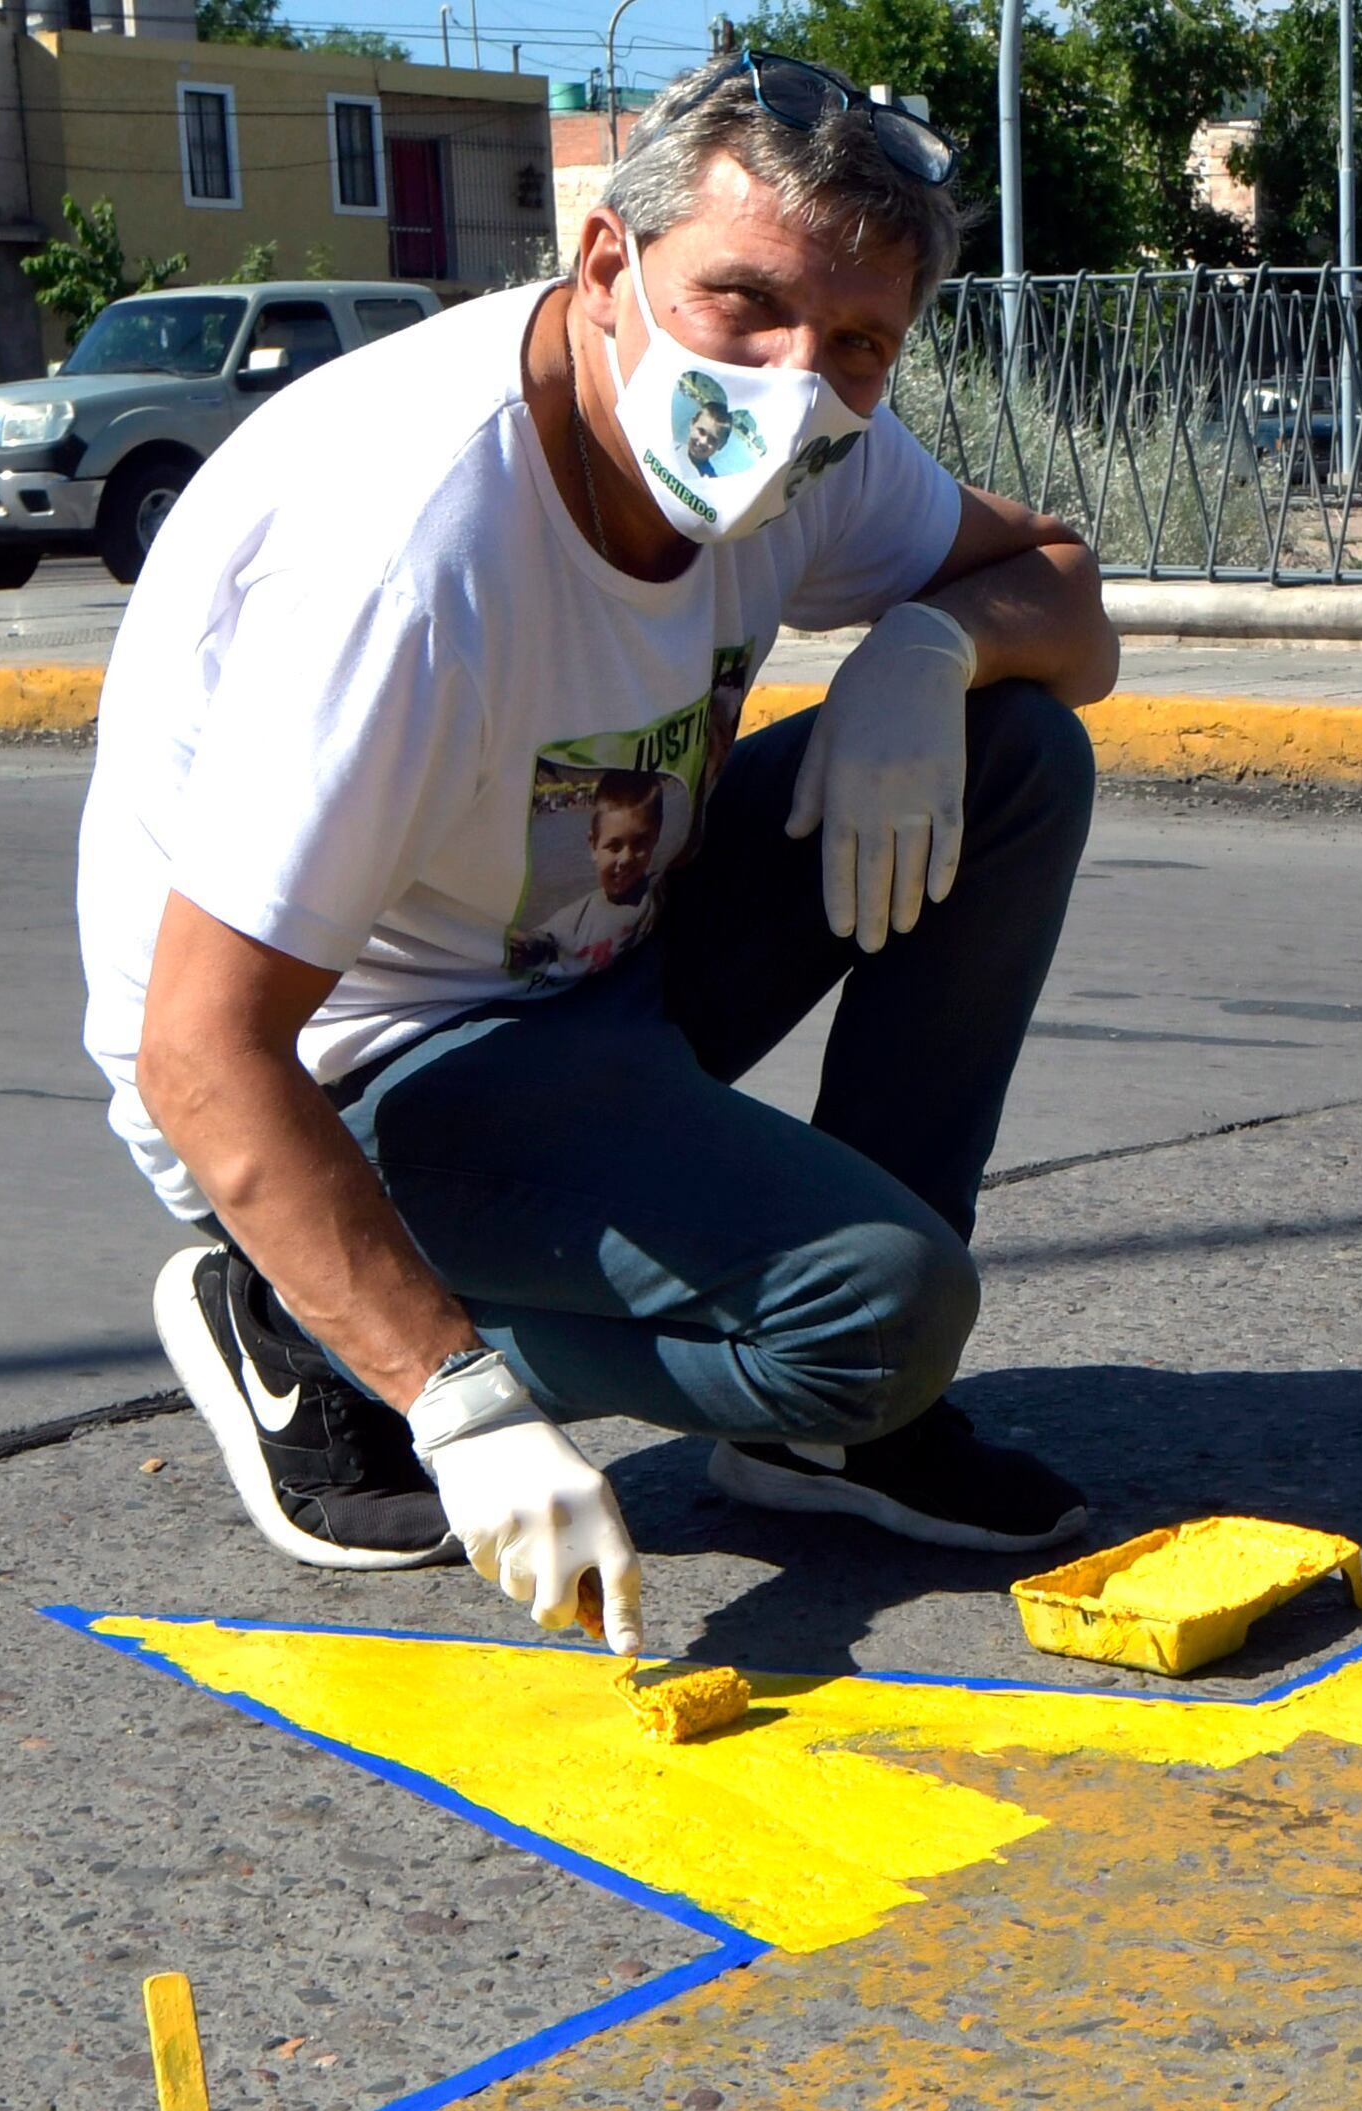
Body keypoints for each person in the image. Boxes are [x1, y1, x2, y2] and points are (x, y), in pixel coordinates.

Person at [84, 53, 1121, 1648]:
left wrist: (927, 651)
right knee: (882, 1306)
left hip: (597, 965)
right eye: (743, 304)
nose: (795, 379)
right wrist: (462, 1402)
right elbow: (200, 1051)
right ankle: (302, 1322)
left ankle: (834, 1429)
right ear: (605, 266)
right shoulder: (413, 561)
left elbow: (1062, 585)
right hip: (367, 1077)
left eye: (859, 344)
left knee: (1018, 754)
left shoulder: (795, 446)